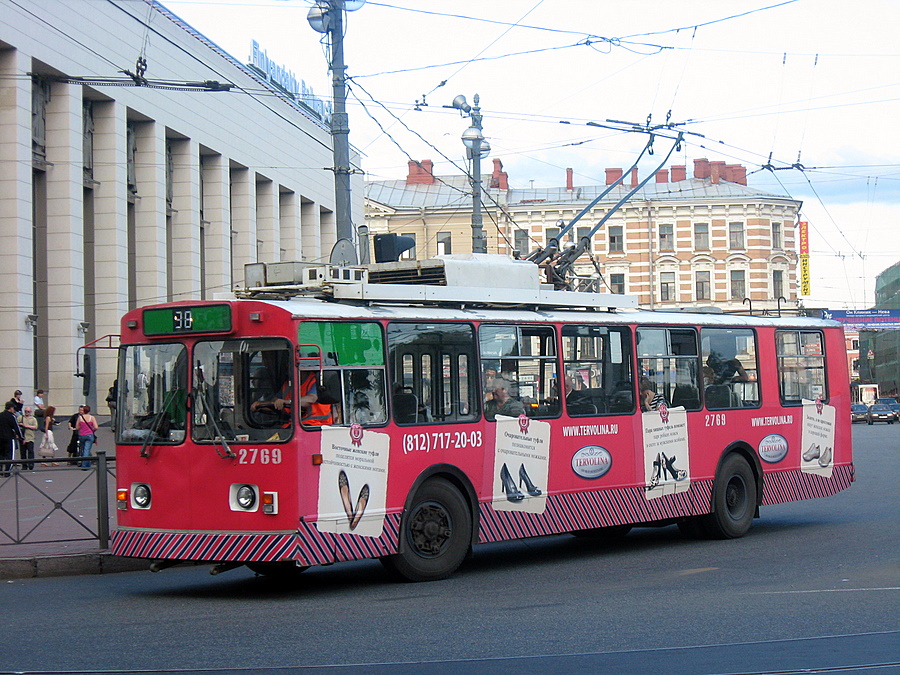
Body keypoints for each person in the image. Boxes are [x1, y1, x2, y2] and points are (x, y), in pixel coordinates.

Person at [0, 400, 23, 477]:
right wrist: (21, 437)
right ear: (11, 408)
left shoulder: (0, 415)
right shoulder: (12, 416)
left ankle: (0, 470)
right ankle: (7, 471)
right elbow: (16, 428)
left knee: (1, 455)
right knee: (10, 455)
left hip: (0, 438)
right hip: (9, 438)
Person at [75, 405, 99, 470]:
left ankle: (87, 464)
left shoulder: (80, 418)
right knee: (87, 450)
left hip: (82, 435)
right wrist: (92, 430)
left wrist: (82, 428)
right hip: (89, 435)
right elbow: (96, 427)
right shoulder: (92, 417)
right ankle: (84, 465)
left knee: (83, 449)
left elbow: (77, 427)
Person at [18, 406, 38, 470]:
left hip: (30, 437)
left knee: (30, 451)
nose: (27, 412)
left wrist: (26, 426)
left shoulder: (33, 419)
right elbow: (16, 425)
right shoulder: (20, 418)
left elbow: (35, 427)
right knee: (23, 452)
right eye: (26, 411)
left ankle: (31, 463)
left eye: (28, 411)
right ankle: (24, 465)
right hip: (22, 438)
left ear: (31, 412)